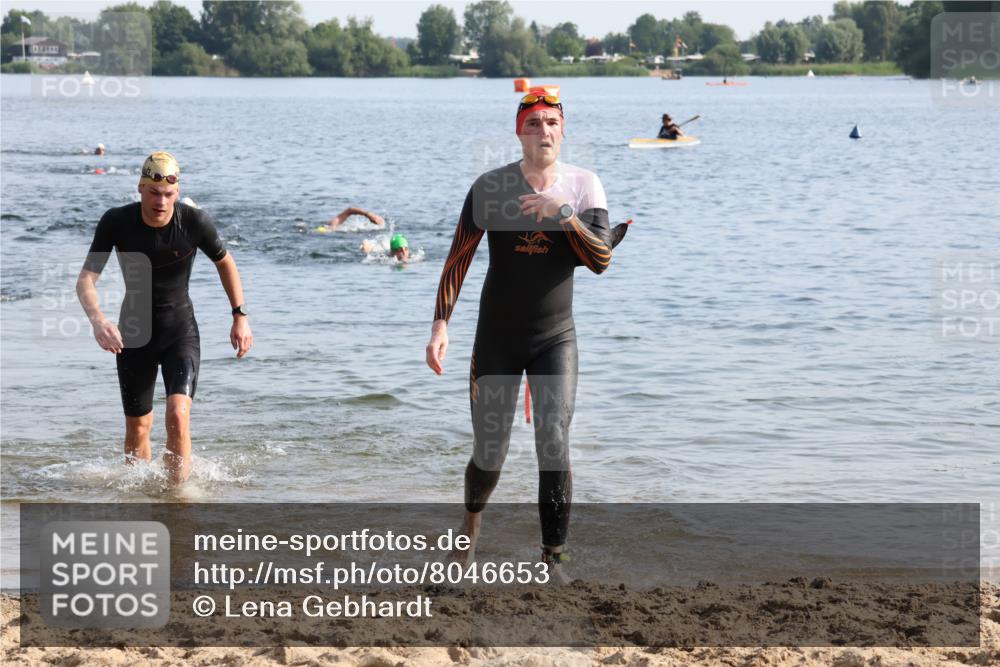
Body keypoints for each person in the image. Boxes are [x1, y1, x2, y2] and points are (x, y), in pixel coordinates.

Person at [425, 87, 614, 583]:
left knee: (554, 440)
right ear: (519, 132)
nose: (543, 131)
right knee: (490, 453)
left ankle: (553, 558)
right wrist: (441, 324)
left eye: (552, 122)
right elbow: (458, 258)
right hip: (498, 337)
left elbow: (601, 260)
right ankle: (469, 530)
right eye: (533, 123)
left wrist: (563, 215)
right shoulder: (490, 188)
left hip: (555, 338)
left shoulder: (584, 185)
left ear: (563, 130)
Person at [76, 151, 253, 485]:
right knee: (138, 427)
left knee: (178, 415)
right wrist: (98, 321)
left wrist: (239, 315)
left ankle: (177, 497)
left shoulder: (194, 222)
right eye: (154, 193)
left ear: (177, 192)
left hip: (179, 330)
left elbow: (225, 262)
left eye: (169, 194)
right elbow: (86, 279)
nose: (161, 201)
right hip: (134, 333)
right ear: (140, 188)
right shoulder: (117, 222)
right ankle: (138, 497)